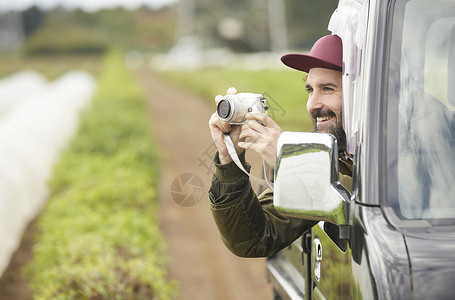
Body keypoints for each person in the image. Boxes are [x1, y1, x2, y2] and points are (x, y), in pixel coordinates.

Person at [208, 34, 352, 258]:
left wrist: (292, 162)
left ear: (361, 94)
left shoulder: (404, 152)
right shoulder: (325, 153)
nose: (312, 104)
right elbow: (252, 238)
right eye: (310, 90)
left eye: (328, 89)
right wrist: (229, 158)